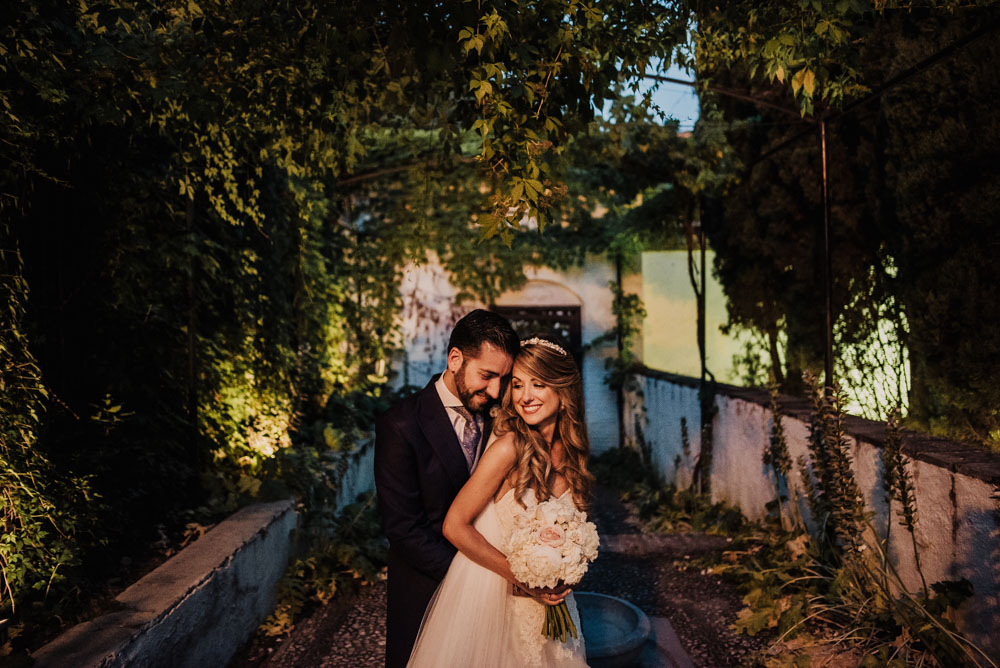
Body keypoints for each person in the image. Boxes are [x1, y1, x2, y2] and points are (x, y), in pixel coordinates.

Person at [406, 335, 595, 668]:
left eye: (538, 384)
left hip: (557, 612)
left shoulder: (575, 458)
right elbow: (455, 525)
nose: (524, 396)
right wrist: (523, 580)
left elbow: (578, 537)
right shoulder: (509, 448)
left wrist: (566, 572)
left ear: (563, 392)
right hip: (502, 612)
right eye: (518, 385)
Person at [375, 309, 520, 668]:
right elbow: (404, 530)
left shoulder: (502, 416)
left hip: (497, 592)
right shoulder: (401, 424)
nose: (496, 391)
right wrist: (476, 576)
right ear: (455, 359)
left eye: (503, 379)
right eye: (487, 376)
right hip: (429, 587)